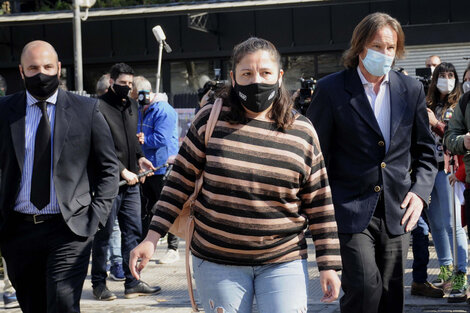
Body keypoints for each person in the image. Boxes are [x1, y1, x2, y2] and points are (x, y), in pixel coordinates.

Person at [130, 37, 342, 313]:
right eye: (247, 73)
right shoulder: (210, 120)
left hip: (283, 259)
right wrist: (151, 238)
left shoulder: (301, 131)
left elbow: (320, 203)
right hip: (217, 260)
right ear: (233, 77)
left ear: (279, 76)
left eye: (265, 73)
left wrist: (329, 264)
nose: (256, 81)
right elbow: (178, 182)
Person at [306, 13, 437, 313]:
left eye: (391, 47)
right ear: (359, 47)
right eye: (377, 45)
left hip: (397, 210)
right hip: (350, 209)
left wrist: (420, 193)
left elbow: (427, 153)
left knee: (391, 296)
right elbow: (313, 153)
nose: (385, 53)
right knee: (365, 290)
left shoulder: (411, 90)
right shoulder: (331, 90)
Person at [0, 40, 119, 313]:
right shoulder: (4, 111)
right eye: (33, 68)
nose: (41, 73)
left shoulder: (86, 110)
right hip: (18, 230)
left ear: (59, 68)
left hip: (69, 229)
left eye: (47, 66)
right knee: (33, 306)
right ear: (21, 71)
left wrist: (96, 215)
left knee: (63, 304)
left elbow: (109, 168)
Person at [91, 63, 160, 301]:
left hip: (133, 183)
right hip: (108, 183)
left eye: (130, 84)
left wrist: (141, 159)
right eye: (123, 84)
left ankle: (132, 282)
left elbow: (132, 139)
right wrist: (121, 171)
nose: (128, 88)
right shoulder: (98, 107)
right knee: (104, 234)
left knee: (133, 231)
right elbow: (101, 148)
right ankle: (99, 284)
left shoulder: (131, 104)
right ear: (111, 82)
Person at [426, 62, 468, 302]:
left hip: (449, 169)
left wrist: (436, 124)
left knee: (453, 224)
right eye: (442, 75)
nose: (447, 79)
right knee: (437, 223)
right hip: (427, 168)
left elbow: (455, 137)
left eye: (451, 75)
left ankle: (461, 273)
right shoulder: (428, 103)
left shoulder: (459, 104)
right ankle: (446, 270)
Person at [133, 77, 180, 264]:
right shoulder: (140, 109)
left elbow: (162, 138)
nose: (134, 99)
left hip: (163, 166)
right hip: (146, 167)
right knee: (148, 208)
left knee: (167, 207)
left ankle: (173, 247)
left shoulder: (164, 110)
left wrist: (144, 139)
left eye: (136, 95)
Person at [410, 55, 444, 299]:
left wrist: (435, 123)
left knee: (443, 228)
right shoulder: (416, 103)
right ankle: (419, 280)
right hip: (407, 181)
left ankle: (449, 273)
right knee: (419, 231)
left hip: (436, 177)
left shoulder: (454, 104)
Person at [95, 72, 125, 281]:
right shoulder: (97, 109)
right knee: (107, 229)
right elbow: (103, 149)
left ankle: (119, 266)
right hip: (106, 179)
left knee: (119, 228)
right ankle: (103, 274)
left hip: (122, 178)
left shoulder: (125, 107)